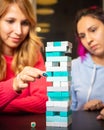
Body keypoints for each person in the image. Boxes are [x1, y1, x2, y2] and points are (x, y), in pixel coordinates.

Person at [0, 0, 48, 113]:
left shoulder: (34, 53)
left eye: (25, 23)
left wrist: (3, 105)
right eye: (10, 21)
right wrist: (14, 84)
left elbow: (43, 102)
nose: (19, 31)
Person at [71, 6, 104, 120]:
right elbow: (67, 112)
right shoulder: (74, 67)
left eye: (93, 30)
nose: (88, 40)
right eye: (82, 36)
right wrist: (84, 108)